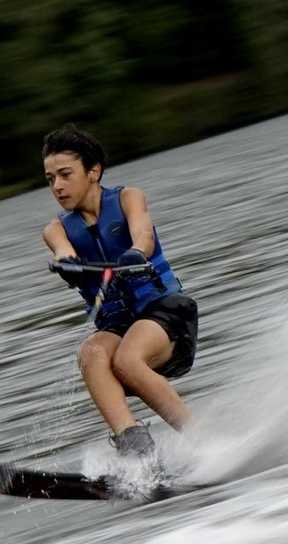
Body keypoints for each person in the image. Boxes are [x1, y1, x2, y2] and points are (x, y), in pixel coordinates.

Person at [40, 124, 199, 458]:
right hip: (117, 328)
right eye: (50, 178)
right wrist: (66, 263)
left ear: (93, 171)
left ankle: (202, 441)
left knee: (127, 358)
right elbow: (61, 250)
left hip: (166, 316)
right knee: (90, 354)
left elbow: (143, 234)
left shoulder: (128, 198)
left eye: (65, 174)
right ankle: (136, 448)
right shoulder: (56, 229)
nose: (57, 185)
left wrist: (136, 252)